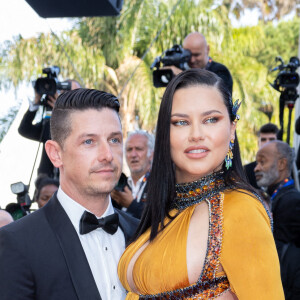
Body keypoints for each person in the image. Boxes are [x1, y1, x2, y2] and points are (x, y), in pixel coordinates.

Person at [118, 69, 284, 299]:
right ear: (165, 134)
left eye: (211, 120)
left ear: (232, 130)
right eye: (181, 122)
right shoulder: (167, 208)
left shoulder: (240, 210)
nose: (196, 134)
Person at [0, 88, 139, 300]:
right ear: (55, 154)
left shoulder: (144, 234)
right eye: (89, 141)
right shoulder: (18, 242)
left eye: (114, 140)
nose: (107, 155)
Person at [254, 140, 300, 300]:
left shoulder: (291, 201)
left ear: (281, 164)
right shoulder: (275, 196)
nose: (256, 168)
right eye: (256, 162)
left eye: (262, 161)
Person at [18, 79, 81, 178]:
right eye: (65, 92)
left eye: (75, 94)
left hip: (72, 180)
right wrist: (36, 103)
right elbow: (25, 130)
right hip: (45, 182)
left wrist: (62, 113)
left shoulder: (85, 121)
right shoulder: (50, 120)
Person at [169, 32, 233, 94]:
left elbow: (214, 96)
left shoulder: (221, 71)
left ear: (207, 49)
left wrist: (182, 77)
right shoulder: (181, 68)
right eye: (188, 55)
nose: (192, 60)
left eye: (196, 55)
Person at [111, 130, 154, 218]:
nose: (133, 155)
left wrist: (132, 205)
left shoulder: (161, 183)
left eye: (139, 149)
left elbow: (161, 220)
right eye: (129, 149)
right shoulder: (121, 183)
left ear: (151, 155)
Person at [244, 122, 279, 189]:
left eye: (271, 139)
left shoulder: (285, 170)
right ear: (258, 143)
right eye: (263, 140)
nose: (267, 143)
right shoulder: (246, 171)